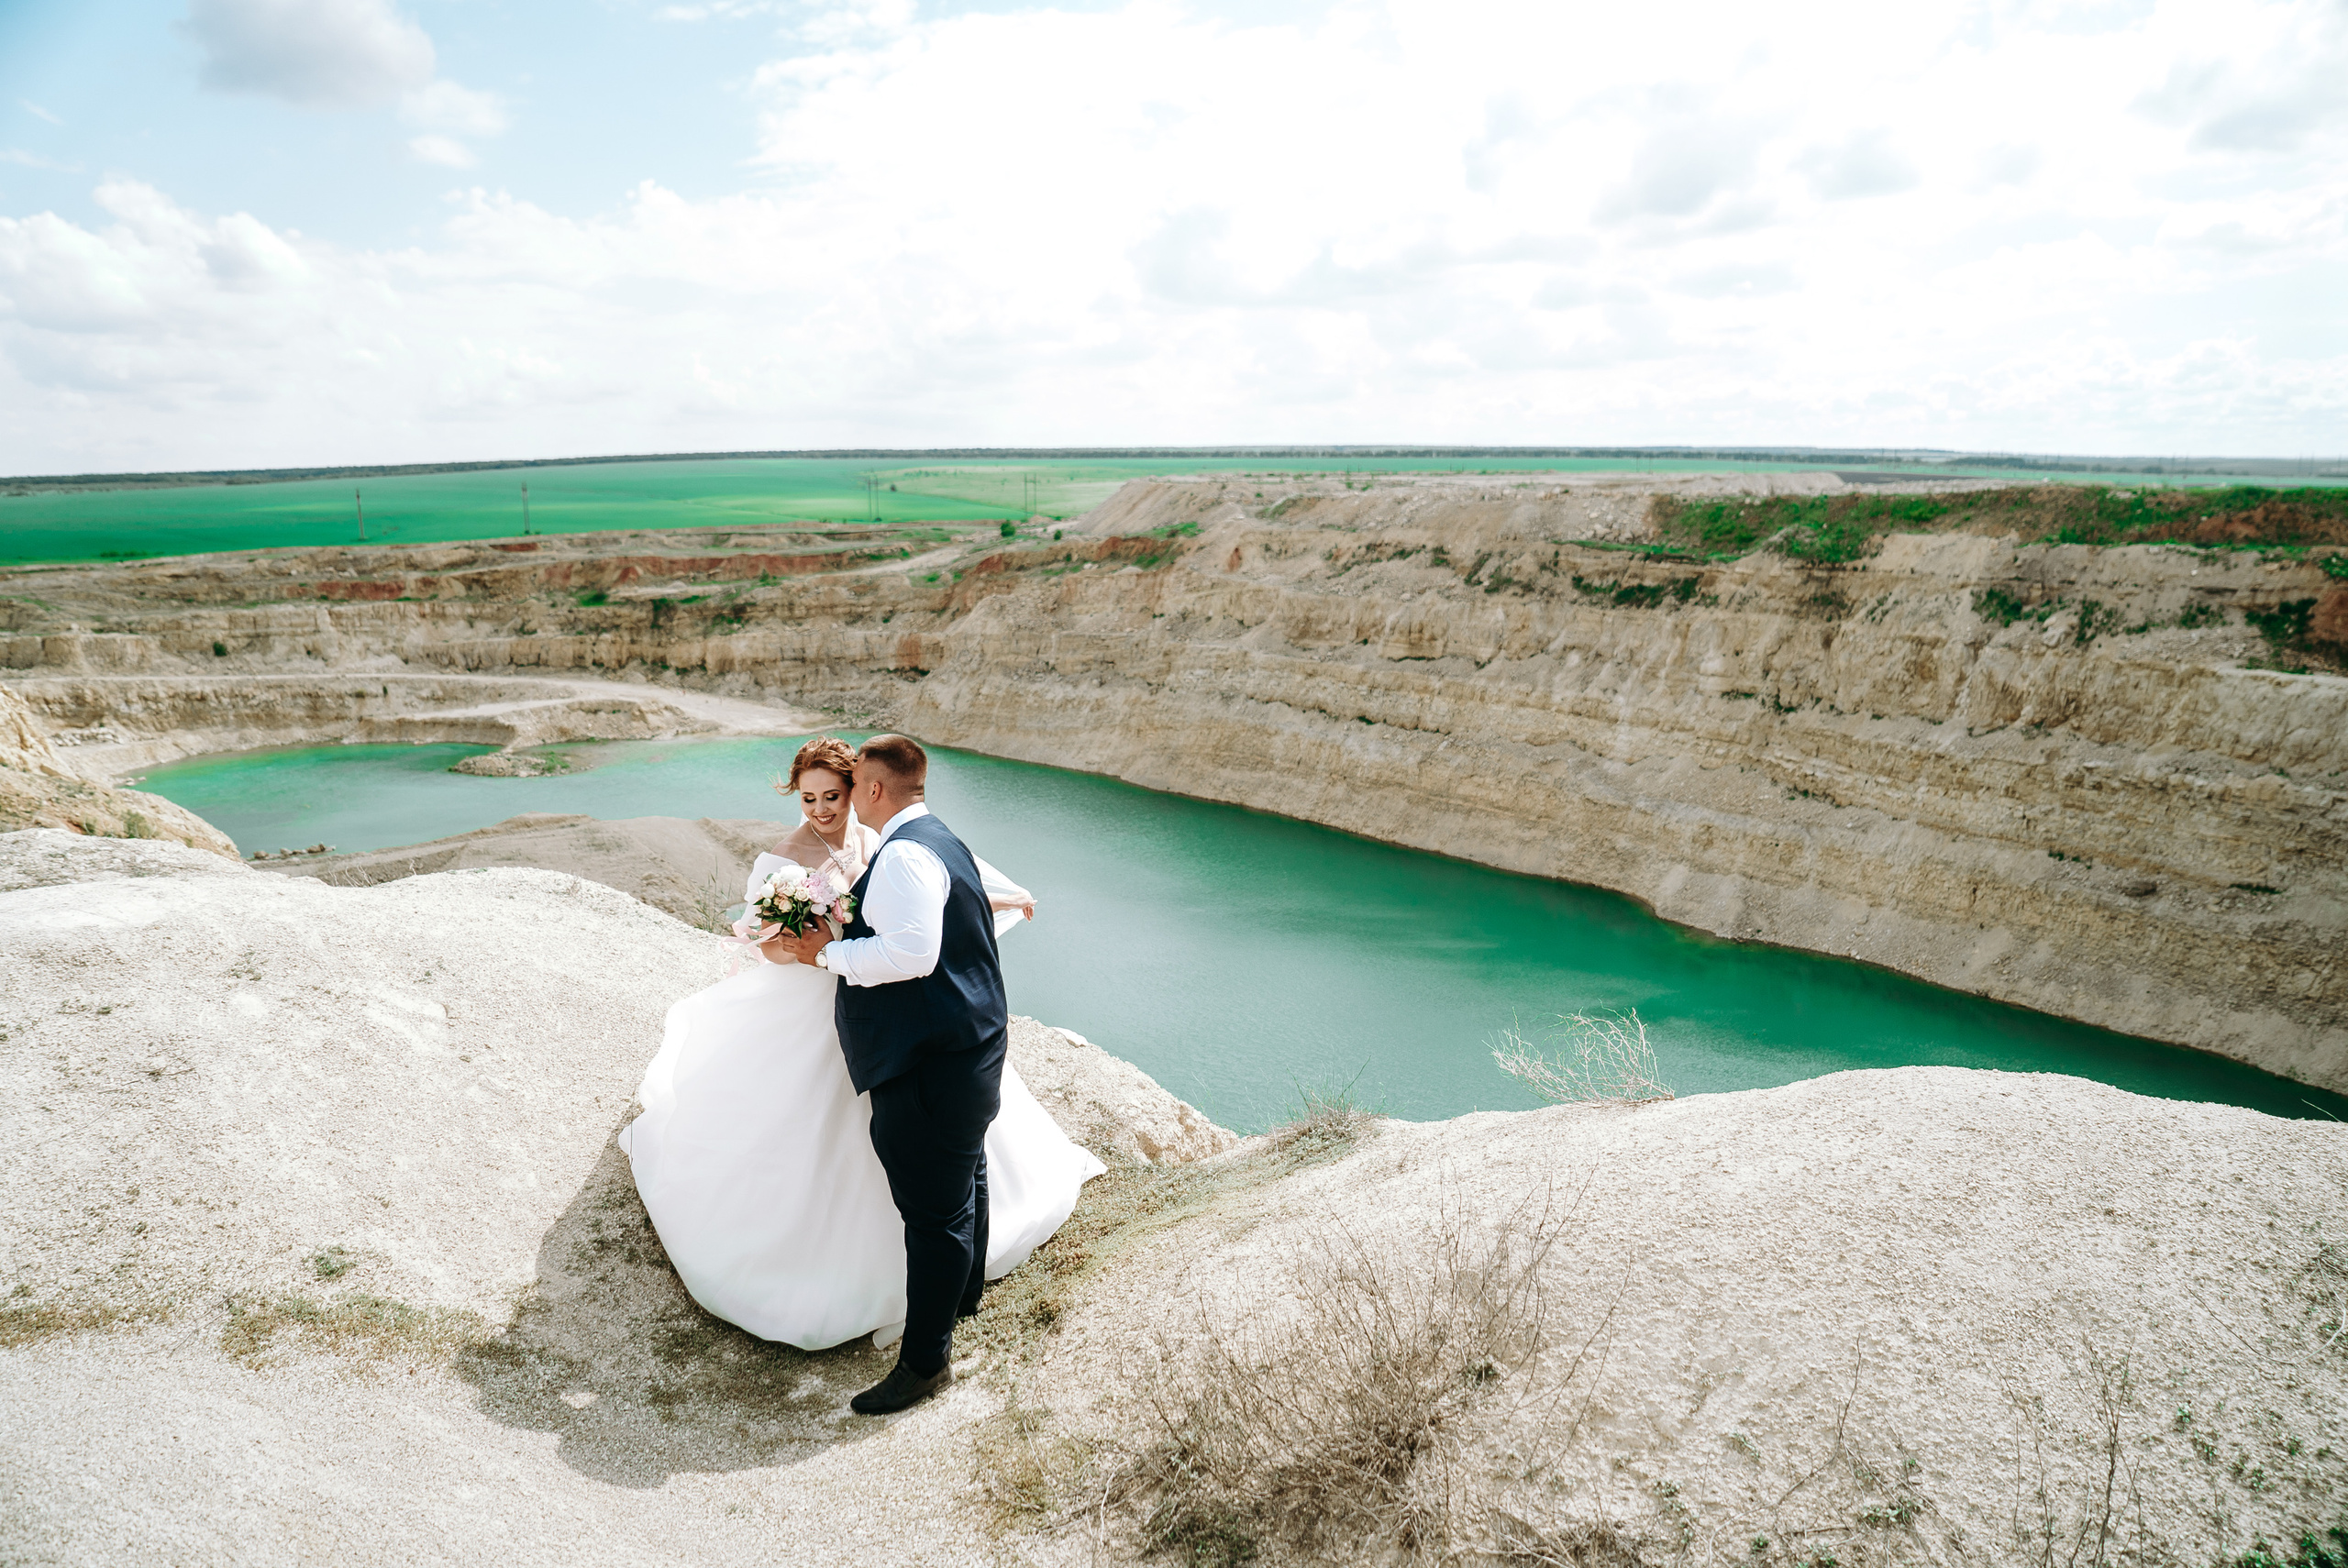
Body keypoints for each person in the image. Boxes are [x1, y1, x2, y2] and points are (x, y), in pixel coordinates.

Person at [618, 734, 1100, 1408]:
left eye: (832, 796)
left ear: (863, 790)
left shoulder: (893, 850)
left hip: (907, 1040)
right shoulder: (890, 842)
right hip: (898, 1030)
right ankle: (950, 1298)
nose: (821, 809)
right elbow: (793, 942)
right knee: (950, 1168)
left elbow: (911, 943)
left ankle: (928, 1356)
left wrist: (830, 953)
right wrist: (798, 948)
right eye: (808, 798)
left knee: (938, 1194)